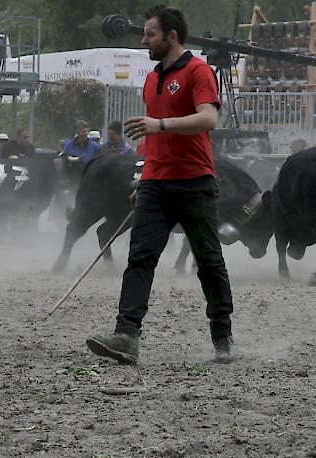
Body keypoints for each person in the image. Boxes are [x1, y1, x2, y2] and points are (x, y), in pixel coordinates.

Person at [86, 5, 235, 364]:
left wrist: (162, 124)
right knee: (140, 257)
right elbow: (152, 141)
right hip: (155, 184)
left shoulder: (198, 71)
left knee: (209, 261)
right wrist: (145, 177)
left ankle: (222, 337)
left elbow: (208, 118)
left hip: (195, 182)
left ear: (172, 36)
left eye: (150, 34)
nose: (143, 39)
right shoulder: (152, 79)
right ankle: (127, 336)